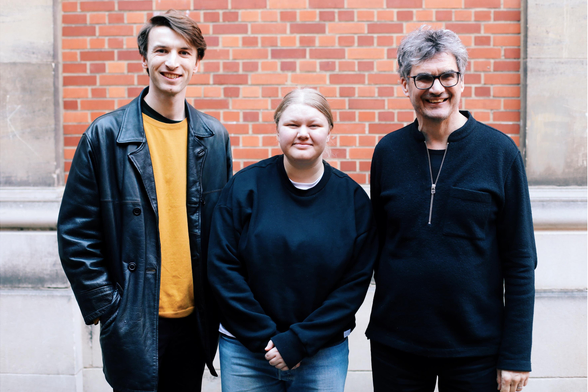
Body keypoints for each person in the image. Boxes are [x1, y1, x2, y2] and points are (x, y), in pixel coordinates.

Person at [57, 10, 232, 392]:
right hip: (133, 317)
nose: (173, 62)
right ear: (144, 58)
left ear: (197, 62)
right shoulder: (104, 135)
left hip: (195, 317)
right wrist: (110, 307)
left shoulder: (214, 137)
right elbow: (76, 235)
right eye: (162, 50)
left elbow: (225, 230)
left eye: (184, 52)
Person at [367, 27, 537, 392]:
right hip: (396, 346)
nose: (436, 87)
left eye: (447, 75)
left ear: (462, 79)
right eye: (423, 77)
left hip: (476, 348)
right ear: (405, 84)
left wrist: (517, 353)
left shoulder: (499, 153)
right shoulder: (388, 152)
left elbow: (521, 260)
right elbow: (376, 242)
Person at [207, 88, 378, 392]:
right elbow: (223, 269)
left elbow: (353, 284)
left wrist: (300, 341)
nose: (303, 134)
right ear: (277, 129)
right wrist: (269, 341)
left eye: (313, 125)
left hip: (323, 354)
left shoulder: (352, 200)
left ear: (329, 131)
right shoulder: (244, 188)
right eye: (292, 125)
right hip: (246, 352)